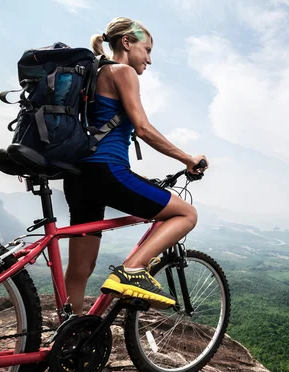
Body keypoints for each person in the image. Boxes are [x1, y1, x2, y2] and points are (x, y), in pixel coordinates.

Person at [63, 17, 207, 315]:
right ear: (127, 43)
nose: (149, 60)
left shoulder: (93, 74)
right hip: (107, 171)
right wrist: (187, 158)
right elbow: (142, 128)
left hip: (78, 176)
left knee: (80, 267)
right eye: (147, 49)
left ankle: (69, 333)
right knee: (186, 213)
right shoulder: (123, 71)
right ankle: (133, 268)